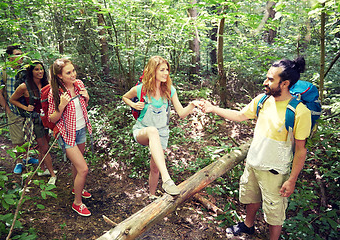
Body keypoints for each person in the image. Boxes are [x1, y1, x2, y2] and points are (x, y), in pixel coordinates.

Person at [201, 57, 311, 239]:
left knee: (274, 210)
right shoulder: (262, 100)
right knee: (251, 196)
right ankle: (248, 225)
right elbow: (239, 115)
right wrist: (213, 108)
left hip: (275, 171)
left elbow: (301, 150)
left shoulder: (299, 112)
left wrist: (291, 180)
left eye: (270, 79)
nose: (265, 82)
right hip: (253, 162)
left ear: (285, 83)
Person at [122, 56, 202, 199]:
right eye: (162, 70)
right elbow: (125, 97)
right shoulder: (141, 89)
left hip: (162, 134)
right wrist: (133, 105)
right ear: (153, 71)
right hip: (143, 130)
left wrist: (192, 105)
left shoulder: (169, 90)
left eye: (167, 70)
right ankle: (167, 180)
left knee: (155, 167)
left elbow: (182, 113)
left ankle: (151, 196)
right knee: (152, 131)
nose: (166, 73)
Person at [48, 58, 92, 216]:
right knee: (83, 169)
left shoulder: (79, 84)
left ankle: (76, 188)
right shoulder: (55, 92)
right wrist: (61, 107)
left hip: (80, 129)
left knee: (76, 165)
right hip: (66, 134)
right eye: (68, 72)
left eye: (73, 70)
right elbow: (52, 118)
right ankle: (77, 203)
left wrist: (86, 97)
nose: (73, 74)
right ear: (59, 76)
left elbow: (83, 106)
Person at [9, 61, 57, 185]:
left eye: (41, 69)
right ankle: (52, 174)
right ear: (31, 72)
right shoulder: (24, 86)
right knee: (45, 148)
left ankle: (42, 170)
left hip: (48, 119)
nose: (40, 72)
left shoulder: (46, 84)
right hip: (35, 121)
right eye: (36, 69)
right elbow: (12, 99)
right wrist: (26, 108)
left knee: (43, 147)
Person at [0, 45, 38, 174]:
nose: (21, 57)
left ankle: (27, 157)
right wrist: (7, 109)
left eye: (21, 54)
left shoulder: (25, 70)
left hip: (27, 108)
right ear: (9, 57)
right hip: (13, 108)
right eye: (17, 54)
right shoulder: (2, 71)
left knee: (28, 134)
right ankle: (18, 161)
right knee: (17, 138)